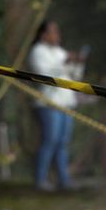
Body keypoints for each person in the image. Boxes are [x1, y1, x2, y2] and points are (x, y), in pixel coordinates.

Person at [28, 20, 84, 191]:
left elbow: (75, 77)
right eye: (53, 31)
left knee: (62, 142)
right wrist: (64, 63)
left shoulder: (60, 52)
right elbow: (44, 74)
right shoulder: (37, 51)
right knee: (49, 141)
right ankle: (40, 179)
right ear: (43, 34)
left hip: (66, 103)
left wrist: (77, 62)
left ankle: (63, 180)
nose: (57, 35)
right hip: (48, 103)